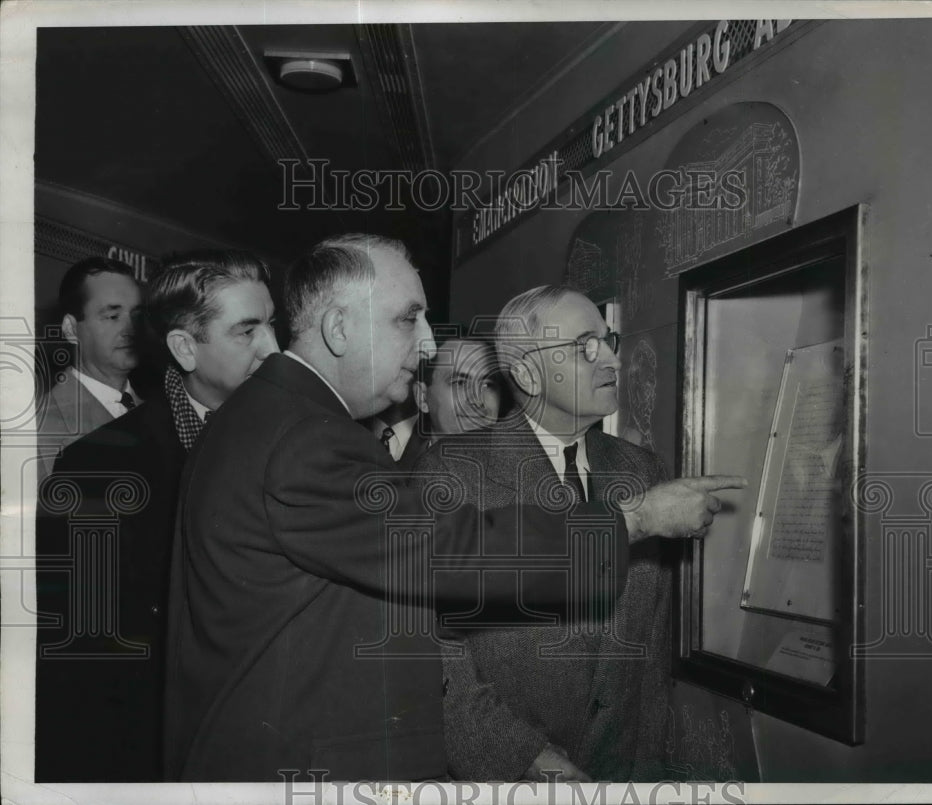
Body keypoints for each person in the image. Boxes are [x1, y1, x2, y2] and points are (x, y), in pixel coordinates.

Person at [163, 233, 742, 782]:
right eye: (406, 318)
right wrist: (633, 519)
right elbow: (449, 550)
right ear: (339, 327)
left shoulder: (270, 418)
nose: (428, 344)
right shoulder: (302, 435)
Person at [413, 285, 725, 782]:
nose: (611, 361)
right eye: (584, 346)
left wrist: (640, 779)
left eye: (609, 341)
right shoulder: (451, 474)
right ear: (528, 373)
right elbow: (437, 656)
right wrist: (523, 760)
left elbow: (649, 659)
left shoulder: (642, 471)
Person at [34, 250, 278, 782]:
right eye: (247, 330)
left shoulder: (284, 442)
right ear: (185, 348)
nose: (273, 349)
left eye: (272, 325)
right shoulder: (94, 464)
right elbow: (85, 665)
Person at [36, 256, 142, 479]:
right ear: (71, 329)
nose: (130, 329)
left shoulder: (164, 415)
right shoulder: (39, 428)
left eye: (137, 316)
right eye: (113, 316)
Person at [412, 331, 504, 444]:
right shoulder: (403, 460)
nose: (477, 400)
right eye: (460, 383)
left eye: (487, 385)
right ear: (422, 397)